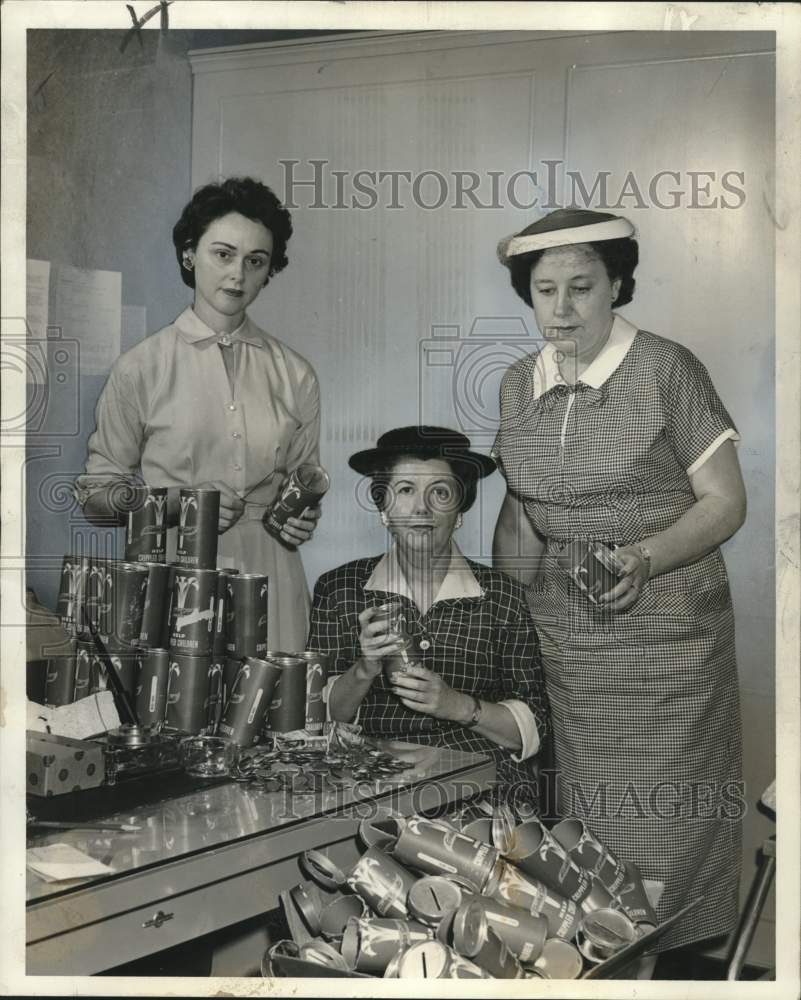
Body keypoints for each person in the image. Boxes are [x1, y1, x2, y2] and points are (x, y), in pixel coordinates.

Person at [491, 207, 746, 951]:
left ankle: (665, 970)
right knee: (586, 837)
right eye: (545, 290)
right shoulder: (515, 385)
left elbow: (726, 502)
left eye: (581, 286)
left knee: (663, 833)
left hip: (669, 644)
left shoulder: (667, 368)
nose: (562, 308)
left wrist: (644, 557)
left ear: (617, 285)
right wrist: (508, 611)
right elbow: (523, 507)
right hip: (569, 648)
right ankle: (606, 967)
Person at [75, 178, 320, 650]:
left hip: (271, 575)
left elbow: (303, 484)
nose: (238, 276)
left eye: (256, 261)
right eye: (222, 254)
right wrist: (177, 503)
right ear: (190, 255)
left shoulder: (297, 374)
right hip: (172, 574)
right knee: (176, 716)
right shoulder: (139, 368)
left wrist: (302, 520)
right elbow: (96, 499)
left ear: (270, 270)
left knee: (274, 717)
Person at [308, 426, 549, 811]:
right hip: (371, 789)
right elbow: (316, 719)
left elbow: (533, 728)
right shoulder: (340, 589)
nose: (421, 508)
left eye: (440, 492)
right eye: (405, 491)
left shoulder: (503, 597)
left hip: (479, 790)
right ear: (384, 508)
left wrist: (456, 705)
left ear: (459, 510)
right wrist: (364, 669)